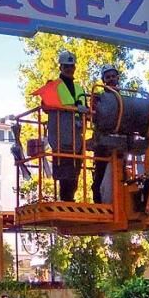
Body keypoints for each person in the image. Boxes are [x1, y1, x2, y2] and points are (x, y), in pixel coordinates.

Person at [34, 50, 87, 202]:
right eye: (66, 66)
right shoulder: (53, 86)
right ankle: (66, 198)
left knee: (76, 168)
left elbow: (85, 109)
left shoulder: (79, 88)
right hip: (60, 134)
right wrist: (73, 108)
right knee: (64, 168)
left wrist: (83, 112)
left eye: (72, 66)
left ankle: (70, 198)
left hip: (76, 134)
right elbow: (45, 107)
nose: (70, 69)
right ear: (61, 67)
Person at [92, 64, 120, 203]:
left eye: (113, 76)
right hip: (102, 141)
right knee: (100, 173)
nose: (110, 79)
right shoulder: (99, 97)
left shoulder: (123, 98)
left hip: (120, 141)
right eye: (107, 77)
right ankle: (99, 203)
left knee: (120, 172)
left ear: (118, 78)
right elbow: (95, 115)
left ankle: (119, 201)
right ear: (103, 80)